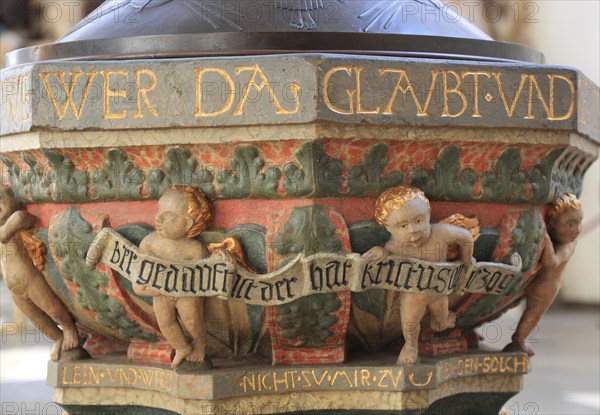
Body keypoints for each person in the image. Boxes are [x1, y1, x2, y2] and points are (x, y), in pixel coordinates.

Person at [362, 185, 474, 364]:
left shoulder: (441, 233)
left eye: (419, 221)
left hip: (439, 292)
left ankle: (442, 322)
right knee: (410, 324)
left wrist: (467, 260)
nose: (413, 230)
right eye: (403, 226)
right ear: (388, 228)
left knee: (441, 322)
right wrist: (381, 252)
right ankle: (410, 346)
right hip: (413, 296)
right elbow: (385, 257)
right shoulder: (394, 248)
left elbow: (466, 237)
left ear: (429, 214)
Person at [134, 185, 213, 368]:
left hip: (185, 293)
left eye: (169, 216)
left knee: (193, 321)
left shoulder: (194, 249)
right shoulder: (150, 242)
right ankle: (181, 347)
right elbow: (139, 269)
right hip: (160, 291)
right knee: (165, 322)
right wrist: (139, 285)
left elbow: (204, 277)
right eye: (159, 210)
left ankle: (200, 344)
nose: (159, 218)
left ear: (187, 223)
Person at [0, 185, 80, 361]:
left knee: (53, 310)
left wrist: (5, 229)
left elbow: (23, 218)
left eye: (2, 198)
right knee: (37, 320)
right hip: (14, 288)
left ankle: (69, 328)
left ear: (16, 202)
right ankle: (58, 338)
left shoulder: (16, 220)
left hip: (30, 279)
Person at [504, 193, 583, 355]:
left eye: (579, 222)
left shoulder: (567, 246)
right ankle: (518, 340)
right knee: (526, 311)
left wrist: (546, 240)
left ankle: (519, 339)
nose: (577, 230)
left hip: (543, 286)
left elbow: (552, 262)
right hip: (537, 284)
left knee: (532, 315)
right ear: (552, 223)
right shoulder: (563, 241)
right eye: (569, 224)